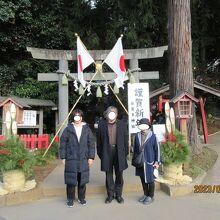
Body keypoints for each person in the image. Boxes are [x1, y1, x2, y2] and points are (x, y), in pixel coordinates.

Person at [59, 109, 95, 207]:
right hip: (71, 158)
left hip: (83, 158)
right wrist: (63, 157)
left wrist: (91, 157)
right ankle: (70, 199)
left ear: (81, 117)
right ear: (73, 117)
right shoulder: (68, 129)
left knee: (82, 180)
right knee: (71, 180)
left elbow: (91, 144)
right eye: (75, 116)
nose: (77, 117)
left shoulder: (86, 129)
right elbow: (63, 143)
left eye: (79, 116)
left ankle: (81, 198)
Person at [97, 106, 128, 204]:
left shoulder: (122, 124)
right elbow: (99, 141)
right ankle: (110, 195)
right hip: (106, 151)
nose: (112, 113)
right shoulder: (101, 124)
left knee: (119, 174)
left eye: (114, 112)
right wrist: (100, 154)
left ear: (116, 114)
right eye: (110, 112)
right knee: (108, 174)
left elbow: (125, 140)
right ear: (106, 114)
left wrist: (125, 153)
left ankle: (118, 195)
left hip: (119, 151)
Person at [132, 118, 160, 205]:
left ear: (148, 126)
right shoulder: (137, 136)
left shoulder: (153, 136)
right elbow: (135, 149)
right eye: (141, 126)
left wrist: (157, 162)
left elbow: (157, 150)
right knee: (143, 179)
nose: (143, 128)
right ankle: (145, 194)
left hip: (149, 162)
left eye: (145, 126)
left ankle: (150, 196)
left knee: (150, 180)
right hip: (140, 162)